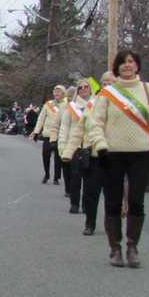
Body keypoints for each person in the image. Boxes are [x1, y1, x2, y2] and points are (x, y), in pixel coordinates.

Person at [87, 50, 149, 268]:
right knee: (113, 201)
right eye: (122, 63)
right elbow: (95, 123)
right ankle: (115, 248)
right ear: (117, 67)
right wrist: (101, 146)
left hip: (141, 154)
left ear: (137, 66)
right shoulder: (107, 94)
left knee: (136, 201)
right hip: (112, 154)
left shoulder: (148, 90)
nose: (127, 65)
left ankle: (133, 247)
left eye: (131, 62)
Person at [63, 71, 116, 235]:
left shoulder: (124, 104)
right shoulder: (93, 104)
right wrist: (68, 150)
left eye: (111, 82)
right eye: (104, 82)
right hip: (93, 153)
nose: (107, 85)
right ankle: (90, 223)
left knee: (113, 195)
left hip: (115, 154)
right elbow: (78, 129)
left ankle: (111, 224)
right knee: (91, 192)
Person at [59, 81, 92, 214]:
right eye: (80, 87)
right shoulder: (71, 107)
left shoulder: (96, 105)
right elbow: (65, 127)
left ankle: (86, 205)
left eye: (86, 87)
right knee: (75, 177)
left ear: (90, 89)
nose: (83, 89)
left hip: (90, 147)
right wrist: (62, 146)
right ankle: (74, 203)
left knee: (89, 180)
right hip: (75, 146)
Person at [30, 85, 67, 184]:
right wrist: (36, 132)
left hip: (60, 135)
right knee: (45, 155)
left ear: (63, 94)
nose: (57, 94)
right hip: (48, 134)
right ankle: (47, 174)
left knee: (58, 158)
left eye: (59, 92)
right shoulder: (48, 104)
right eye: (55, 92)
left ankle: (56, 177)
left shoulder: (67, 104)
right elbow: (41, 118)